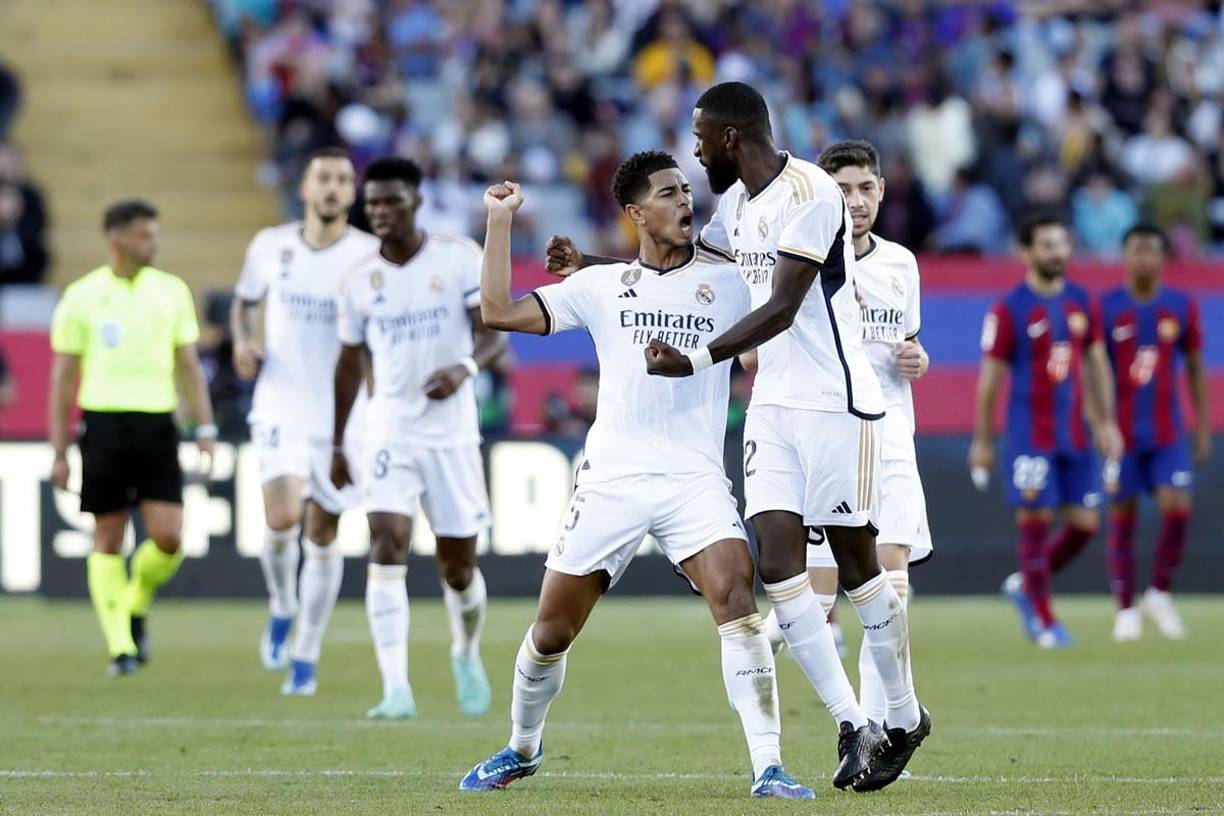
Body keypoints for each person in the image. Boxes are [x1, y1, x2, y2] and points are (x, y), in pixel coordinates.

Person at [548, 81, 927, 792]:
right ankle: (853, 722)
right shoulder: (735, 205)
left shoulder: (810, 194)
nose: (694, 155)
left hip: (837, 404)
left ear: (729, 138)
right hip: (772, 410)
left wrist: (691, 359)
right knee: (779, 568)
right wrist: (595, 270)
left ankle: (904, 715)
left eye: (699, 141)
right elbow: (687, 264)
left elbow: (783, 307)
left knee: (855, 567)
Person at [461, 153, 813, 799]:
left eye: (687, 190)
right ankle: (522, 746)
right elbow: (497, 314)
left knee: (737, 598)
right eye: (668, 193)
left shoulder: (733, 280)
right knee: (550, 634)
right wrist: (499, 221)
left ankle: (769, 765)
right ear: (635, 213)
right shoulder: (601, 288)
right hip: (611, 481)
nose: (686, 201)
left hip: (695, 480)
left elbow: (794, 297)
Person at [761, 140, 933, 733]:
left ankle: (881, 729)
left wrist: (916, 357)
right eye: (842, 191)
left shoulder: (901, 264)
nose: (855, 202)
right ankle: (763, 672)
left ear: (882, 190)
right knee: (818, 597)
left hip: (892, 441)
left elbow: (905, 344)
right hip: (830, 432)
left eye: (866, 189)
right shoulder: (803, 256)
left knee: (893, 586)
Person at [332, 157, 507, 720]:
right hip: (389, 428)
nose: (381, 212)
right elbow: (347, 365)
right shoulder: (359, 280)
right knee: (386, 540)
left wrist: (462, 368)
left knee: (457, 568)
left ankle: (465, 649)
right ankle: (396, 688)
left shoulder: (457, 258)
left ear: (416, 202)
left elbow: (494, 336)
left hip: (451, 434)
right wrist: (338, 442)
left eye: (392, 202)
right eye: (374, 204)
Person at [231, 146, 380, 693]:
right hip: (280, 403)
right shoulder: (271, 245)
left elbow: (376, 336)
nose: (334, 187)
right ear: (305, 187)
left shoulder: (369, 255)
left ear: (353, 191)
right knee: (281, 516)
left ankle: (307, 653)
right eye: (324, 177)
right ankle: (281, 600)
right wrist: (245, 341)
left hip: (344, 417)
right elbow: (246, 302)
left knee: (323, 533)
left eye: (343, 179)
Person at [48, 200, 216, 676]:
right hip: (103, 425)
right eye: (146, 236)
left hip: (157, 424)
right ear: (117, 238)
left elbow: (189, 366)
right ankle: (121, 645)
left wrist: (203, 428)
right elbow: (62, 379)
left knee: (168, 538)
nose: (154, 244)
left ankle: (134, 600)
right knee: (107, 535)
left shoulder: (172, 291)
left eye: (156, 235)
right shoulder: (82, 296)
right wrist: (59, 451)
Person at [970, 211, 1123, 648]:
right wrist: (982, 440)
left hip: (1073, 431)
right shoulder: (1010, 308)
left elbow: (1096, 364)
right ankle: (1042, 617)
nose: (1058, 253)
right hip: (1028, 433)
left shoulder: (1082, 301)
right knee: (1035, 521)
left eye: (1062, 244)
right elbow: (991, 381)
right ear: (1026, 252)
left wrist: (1106, 421)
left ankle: (1024, 585)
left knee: (1085, 524)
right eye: (1048, 245)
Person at [1098, 224, 1209, 641]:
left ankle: (1159, 592)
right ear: (1125, 256)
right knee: (1123, 515)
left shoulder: (1180, 306)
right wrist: (1100, 423)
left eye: (1152, 250)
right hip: (1122, 433)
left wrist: (1201, 424)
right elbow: (1094, 372)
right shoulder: (1108, 308)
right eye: (1137, 250)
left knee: (1178, 507)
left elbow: (1196, 368)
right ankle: (1125, 607)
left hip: (1167, 430)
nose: (1144, 258)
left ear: (1163, 258)